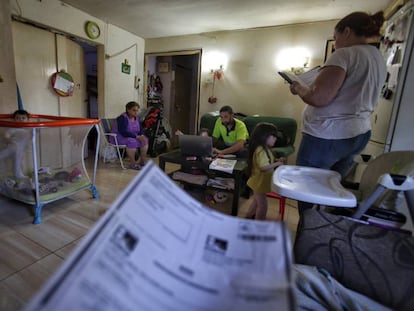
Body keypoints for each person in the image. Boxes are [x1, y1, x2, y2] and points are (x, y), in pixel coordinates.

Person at [288, 11, 387, 213]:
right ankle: (325, 226)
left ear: (347, 31)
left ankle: (307, 230)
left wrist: (299, 88)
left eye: (336, 37)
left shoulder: (345, 54)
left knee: (306, 189)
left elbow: (319, 98)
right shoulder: (377, 56)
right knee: (332, 186)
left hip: (327, 136)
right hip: (358, 132)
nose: (335, 43)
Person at [245, 123, 286, 220]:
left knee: (256, 202)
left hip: (260, 182)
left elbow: (267, 162)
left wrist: (276, 161)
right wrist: (277, 164)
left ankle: (248, 217)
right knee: (263, 206)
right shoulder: (260, 150)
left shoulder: (265, 149)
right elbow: (263, 167)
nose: (275, 139)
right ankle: (258, 226)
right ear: (265, 137)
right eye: (274, 137)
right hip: (259, 183)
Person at [111, 101, 148, 170]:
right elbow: (123, 132)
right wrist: (136, 136)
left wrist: (142, 135)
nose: (136, 112)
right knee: (132, 141)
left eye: (137, 110)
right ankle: (133, 164)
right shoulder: (122, 118)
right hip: (119, 137)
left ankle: (142, 161)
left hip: (132, 136)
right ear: (128, 110)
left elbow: (141, 129)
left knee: (145, 139)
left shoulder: (136, 118)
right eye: (134, 110)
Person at [0, 109, 30, 178]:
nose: (20, 120)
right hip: (11, 148)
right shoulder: (13, 129)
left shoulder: (29, 128)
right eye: (17, 118)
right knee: (1, 156)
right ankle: (2, 172)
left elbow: (35, 132)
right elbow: (6, 136)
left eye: (23, 118)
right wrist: (7, 139)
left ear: (27, 120)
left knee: (18, 162)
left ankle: (18, 174)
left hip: (20, 150)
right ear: (14, 120)